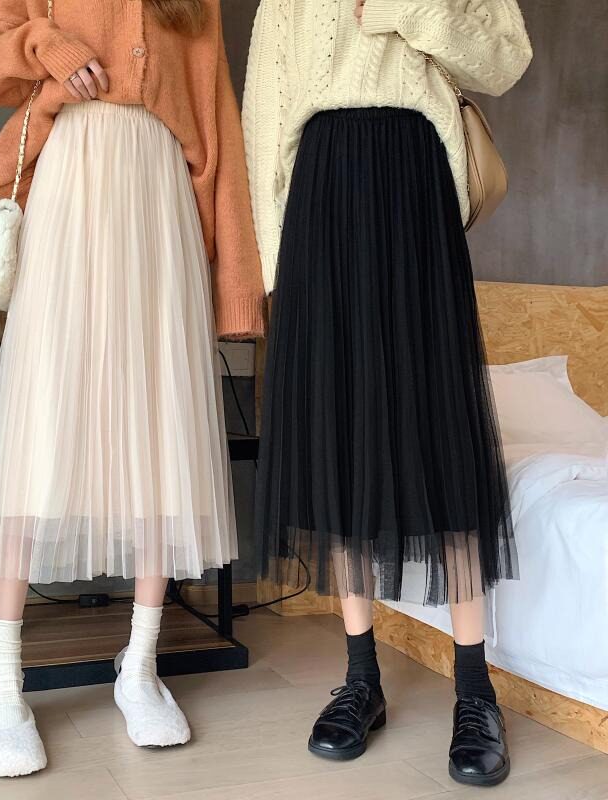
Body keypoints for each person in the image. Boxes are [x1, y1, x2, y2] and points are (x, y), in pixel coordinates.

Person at [0, 0, 265, 777]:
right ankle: (3, 681)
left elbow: (217, 126)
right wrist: (48, 46)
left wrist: (234, 287)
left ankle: (141, 663)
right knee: (41, 418)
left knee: (163, 426)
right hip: (71, 183)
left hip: (161, 199)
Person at [244, 0, 531, 787]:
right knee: (342, 431)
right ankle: (361, 678)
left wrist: (409, 8)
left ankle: (475, 692)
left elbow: (505, 59)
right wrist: (275, 277)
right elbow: (265, 122)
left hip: (416, 183)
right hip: (319, 196)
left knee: (441, 425)